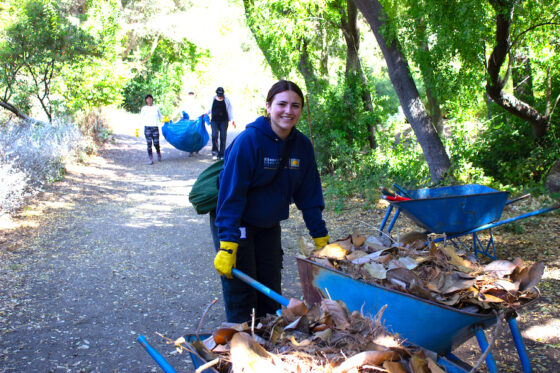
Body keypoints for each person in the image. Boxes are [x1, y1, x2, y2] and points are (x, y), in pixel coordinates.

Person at [210, 80, 329, 323]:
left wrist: (321, 238)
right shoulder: (249, 141)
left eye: (295, 106)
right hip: (236, 221)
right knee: (242, 292)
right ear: (268, 106)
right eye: (282, 104)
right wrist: (227, 245)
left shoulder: (302, 147)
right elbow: (231, 196)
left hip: (268, 223)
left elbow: (309, 195)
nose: (288, 111)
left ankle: (266, 343)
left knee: (270, 287)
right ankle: (240, 345)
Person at [207, 87, 235, 160]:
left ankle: (222, 154)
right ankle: (215, 153)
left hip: (224, 121)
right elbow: (209, 109)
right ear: (216, 93)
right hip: (214, 121)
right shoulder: (212, 99)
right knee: (214, 136)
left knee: (223, 137)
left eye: (221, 94)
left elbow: (230, 110)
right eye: (219, 94)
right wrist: (205, 114)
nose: (220, 96)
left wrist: (232, 120)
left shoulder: (226, 100)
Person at [140, 94, 163, 165]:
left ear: (152, 100)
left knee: (156, 143)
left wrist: (166, 119)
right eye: (148, 99)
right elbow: (141, 118)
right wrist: (137, 128)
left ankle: (158, 152)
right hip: (147, 128)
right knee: (149, 144)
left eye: (150, 99)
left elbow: (160, 116)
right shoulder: (144, 108)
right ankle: (150, 158)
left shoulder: (156, 108)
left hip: (155, 127)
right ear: (146, 100)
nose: (149, 100)